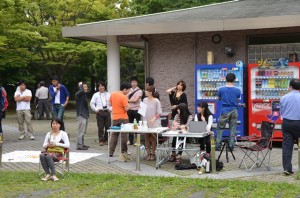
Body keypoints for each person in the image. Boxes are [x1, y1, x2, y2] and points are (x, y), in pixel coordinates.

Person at [280, 78, 300, 175]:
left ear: (290, 87)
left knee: (287, 146)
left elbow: (281, 112)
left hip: (287, 123)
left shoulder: (284, 97)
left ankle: (287, 168)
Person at [215, 73, 241, 151]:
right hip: (234, 110)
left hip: (225, 110)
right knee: (232, 129)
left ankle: (218, 145)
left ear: (225, 79)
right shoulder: (237, 90)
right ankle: (230, 146)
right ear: (234, 80)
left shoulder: (221, 89)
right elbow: (238, 100)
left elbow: (218, 98)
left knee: (220, 128)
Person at [109, 82, 131, 161]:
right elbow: (126, 109)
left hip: (115, 117)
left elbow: (110, 103)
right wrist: (129, 106)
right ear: (124, 89)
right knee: (124, 135)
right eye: (128, 90)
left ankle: (111, 152)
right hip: (123, 118)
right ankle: (124, 151)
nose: (128, 92)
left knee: (114, 134)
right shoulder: (124, 97)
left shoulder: (113, 94)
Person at [143, 86, 162, 161]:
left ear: (150, 92)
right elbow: (142, 110)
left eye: (146, 91)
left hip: (154, 122)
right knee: (147, 137)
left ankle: (153, 153)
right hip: (146, 121)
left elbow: (159, 112)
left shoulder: (156, 101)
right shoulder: (144, 100)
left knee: (153, 137)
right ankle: (148, 153)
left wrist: (154, 118)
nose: (145, 92)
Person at [90, 81, 112, 146]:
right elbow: (92, 103)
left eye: (102, 86)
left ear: (105, 87)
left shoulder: (109, 94)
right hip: (100, 112)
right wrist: (96, 109)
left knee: (108, 126)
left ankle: (106, 139)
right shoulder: (95, 94)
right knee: (100, 127)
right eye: (99, 86)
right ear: (98, 87)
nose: (101, 87)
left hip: (107, 112)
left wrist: (110, 109)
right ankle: (101, 140)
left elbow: (113, 103)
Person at [127, 76, 143, 145]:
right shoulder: (128, 90)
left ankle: (137, 140)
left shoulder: (139, 91)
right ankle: (130, 140)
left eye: (135, 82)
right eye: (132, 82)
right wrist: (130, 101)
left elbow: (135, 100)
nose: (134, 83)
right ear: (130, 83)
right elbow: (125, 98)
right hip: (130, 109)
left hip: (137, 110)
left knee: (137, 126)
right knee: (130, 125)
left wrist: (128, 100)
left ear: (137, 83)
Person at [75, 82, 90, 150]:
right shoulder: (78, 94)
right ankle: (79, 145)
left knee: (83, 130)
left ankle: (82, 144)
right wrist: (81, 86)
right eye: (84, 87)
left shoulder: (84, 95)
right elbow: (79, 92)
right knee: (80, 130)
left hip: (85, 114)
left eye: (86, 87)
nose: (85, 88)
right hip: (81, 114)